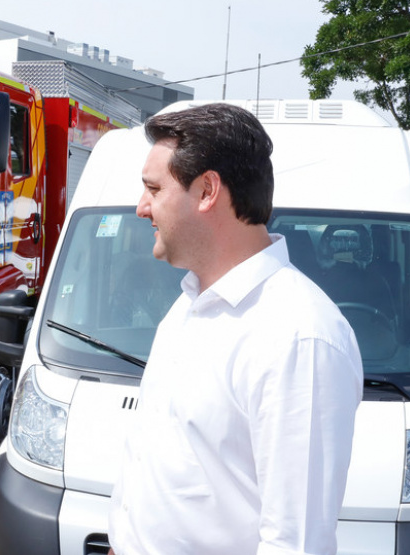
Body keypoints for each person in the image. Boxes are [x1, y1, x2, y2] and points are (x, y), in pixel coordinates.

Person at [107, 103, 363, 555]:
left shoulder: (298, 337)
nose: (141, 207)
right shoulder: (188, 305)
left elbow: (295, 544)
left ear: (207, 190)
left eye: (153, 189)